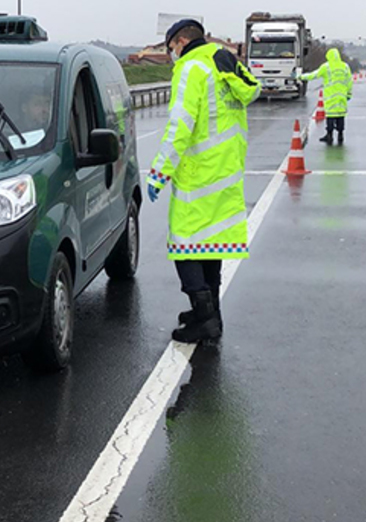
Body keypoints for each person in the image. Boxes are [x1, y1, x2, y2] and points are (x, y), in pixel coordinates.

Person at [147, 19, 261, 344]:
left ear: (181, 41)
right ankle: (211, 314)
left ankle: (205, 319)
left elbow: (180, 127)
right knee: (211, 246)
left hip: (198, 174)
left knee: (184, 247)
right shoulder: (223, 61)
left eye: (170, 48)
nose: (171, 55)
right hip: (226, 172)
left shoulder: (191, 68)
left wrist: (158, 172)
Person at [300, 48, 353, 145]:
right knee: (340, 116)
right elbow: (349, 81)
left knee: (330, 117)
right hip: (342, 97)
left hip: (330, 97)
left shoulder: (326, 67)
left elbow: (313, 75)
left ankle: (329, 135)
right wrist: (349, 93)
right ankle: (340, 135)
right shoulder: (345, 67)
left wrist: (301, 76)